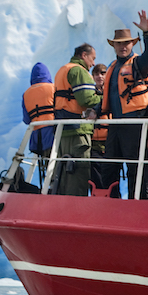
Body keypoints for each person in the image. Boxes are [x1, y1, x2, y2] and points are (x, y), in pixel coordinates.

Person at [100, 10, 148, 199]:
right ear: (114, 46)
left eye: (126, 43)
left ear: (132, 44)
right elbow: (108, 96)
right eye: (119, 44)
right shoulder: (112, 67)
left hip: (134, 123)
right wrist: (94, 111)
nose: (122, 47)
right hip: (116, 124)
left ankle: (136, 202)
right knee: (109, 165)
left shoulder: (138, 64)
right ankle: (111, 200)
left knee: (134, 165)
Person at [51, 43, 101, 195]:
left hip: (63, 129)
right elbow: (86, 99)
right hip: (78, 130)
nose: (93, 64)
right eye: (92, 59)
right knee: (78, 175)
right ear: (84, 55)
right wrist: (105, 100)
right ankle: (76, 210)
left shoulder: (63, 69)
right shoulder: (79, 71)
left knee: (64, 173)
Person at [21, 62, 55, 185]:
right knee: (58, 166)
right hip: (53, 134)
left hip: (37, 138)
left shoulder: (26, 94)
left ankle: (49, 188)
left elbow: (26, 119)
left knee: (46, 169)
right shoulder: (53, 88)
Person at [90, 63, 109, 191]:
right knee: (95, 180)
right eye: (96, 74)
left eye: (102, 73)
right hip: (94, 144)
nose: (99, 76)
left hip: (109, 143)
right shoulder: (89, 96)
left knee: (111, 179)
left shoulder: (112, 94)